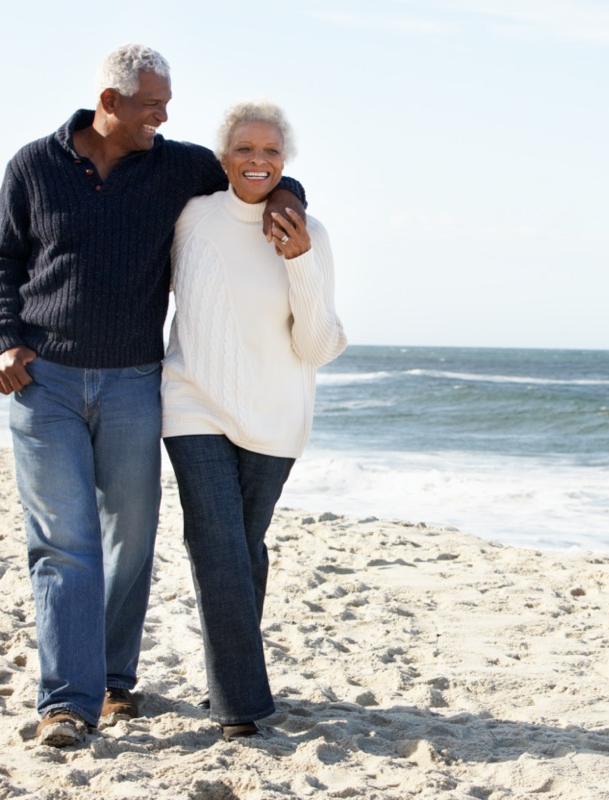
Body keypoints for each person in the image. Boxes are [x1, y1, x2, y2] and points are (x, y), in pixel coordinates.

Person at [0, 45, 307, 748]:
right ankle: (67, 703)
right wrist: (5, 338)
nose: (164, 115)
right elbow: (2, 260)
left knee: (128, 543)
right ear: (110, 102)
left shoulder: (175, 165)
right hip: (45, 382)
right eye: (152, 104)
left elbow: (255, 171)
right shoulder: (32, 167)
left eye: (166, 103)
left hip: (134, 381)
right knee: (64, 544)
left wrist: (289, 197)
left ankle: (114, 681)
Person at [161, 100, 346, 741]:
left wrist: (298, 262)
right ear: (224, 158)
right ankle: (241, 706)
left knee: (243, 550)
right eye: (245, 149)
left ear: (285, 161)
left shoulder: (309, 232)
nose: (257, 162)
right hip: (193, 403)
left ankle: (228, 680)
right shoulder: (192, 218)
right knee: (215, 544)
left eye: (270, 152)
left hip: (276, 417)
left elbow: (318, 346)